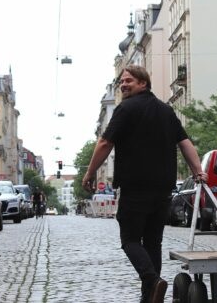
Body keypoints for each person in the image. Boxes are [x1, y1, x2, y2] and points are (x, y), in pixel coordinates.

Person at [82, 65, 207, 303]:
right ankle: (150, 296)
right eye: (122, 82)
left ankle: (152, 281)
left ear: (143, 83)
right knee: (152, 242)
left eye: (129, 81)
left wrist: (90, 172)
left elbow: (105, 143)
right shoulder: (166, 110)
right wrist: (198, 171)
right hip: (163, 189)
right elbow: (185, 142)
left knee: (130, 239)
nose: (124, 85)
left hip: (135, 186)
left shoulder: (125, 109)